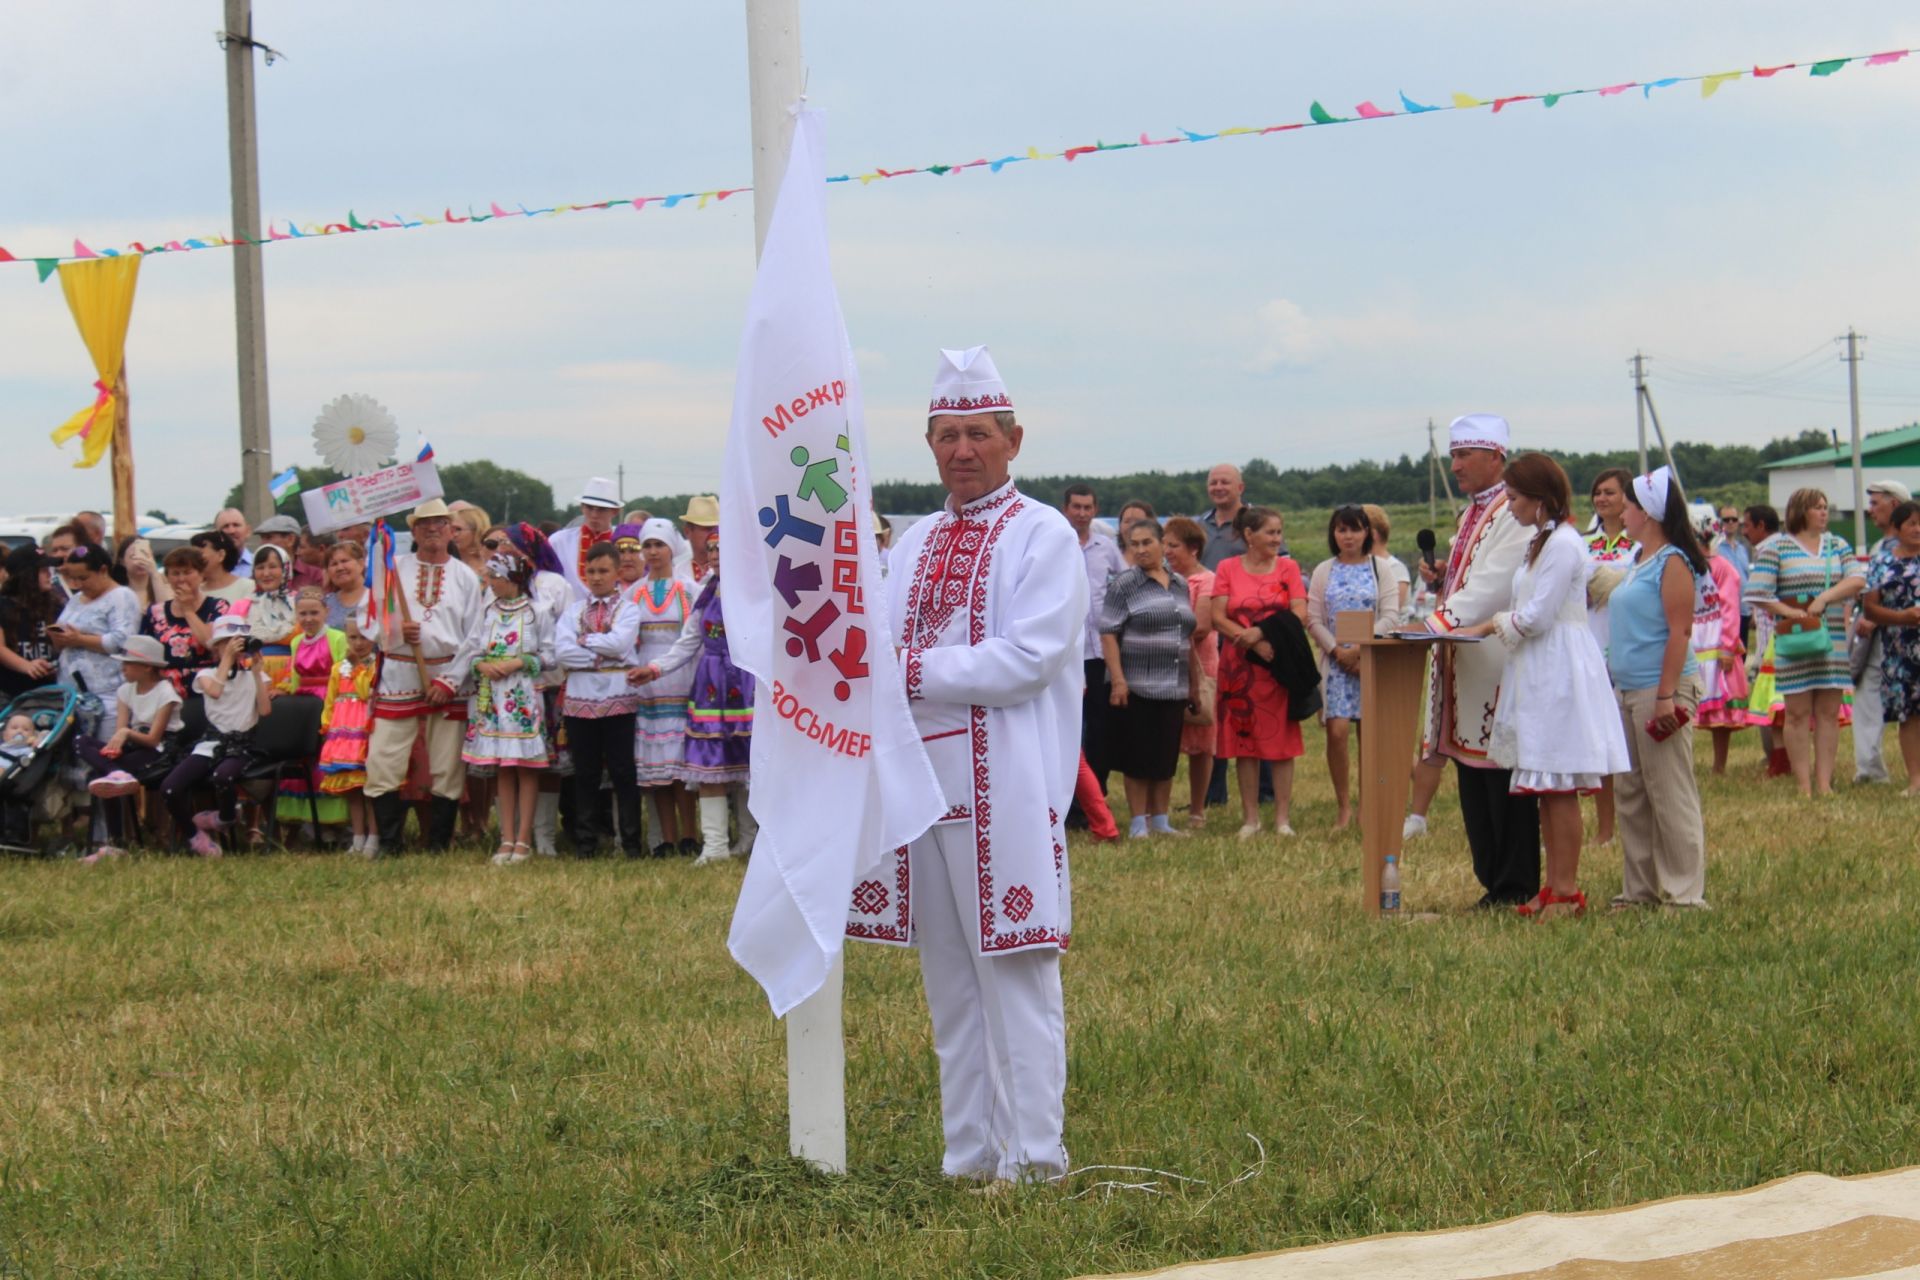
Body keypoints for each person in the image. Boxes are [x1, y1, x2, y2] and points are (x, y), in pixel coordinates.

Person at [844, 343, 1081, 1185]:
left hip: (1006, 788)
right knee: (950, 987)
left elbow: (1030, 658)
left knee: (1016, 978)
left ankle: (1036, 1159)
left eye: (978, 433)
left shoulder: (1043, 536)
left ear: (1013, 439)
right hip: (922, 793)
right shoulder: (910, 545)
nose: (962, 451)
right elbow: (871, 645)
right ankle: (969, 1156)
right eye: (946, 435)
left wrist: (911, 673)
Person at [1455, 454, 1629, 917]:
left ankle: (1567, 889)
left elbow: (1536, 617)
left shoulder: (1565, 544)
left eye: (1513, 498)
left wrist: (1486, 627)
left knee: (1560, 782)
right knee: (1545, 787)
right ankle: (1551, 887)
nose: (1508, 506)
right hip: (1538, 667)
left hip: (1560, 667)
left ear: (1539, 497)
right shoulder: (1542, 541)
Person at [1416, 414, 1539, 907]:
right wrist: (1445, 577)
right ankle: (1493, 879)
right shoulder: (1473, 511)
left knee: (1499, 771)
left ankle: (1513, 883)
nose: (1455, 464)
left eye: (1465, 455)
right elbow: (1475, 575)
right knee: (1473, 775)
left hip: (1494, 658)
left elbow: (1495, 583)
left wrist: (1437, 622)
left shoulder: (1512, 510)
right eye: (1453, 455)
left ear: (1496, 457)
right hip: (1466, 658)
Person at [1609, 467, 1710, 908]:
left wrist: (1667, 695)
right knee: (1631, 792)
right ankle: (1640, 889)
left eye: (1628, 505)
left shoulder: (1673, 560)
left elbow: (1679, 632)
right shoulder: (1638, 561)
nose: (1622, 513)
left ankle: (1685, 892)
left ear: (1646, 512)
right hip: (1629, 688)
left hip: (1658, 689)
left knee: (1669, 790)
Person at [363, 500, 487, 854]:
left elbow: (474, 635)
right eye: (425, 524)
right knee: (383, 759)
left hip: (448, 677)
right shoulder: (393, 570)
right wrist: (396, 630)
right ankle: (389, 843)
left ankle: (438, 843)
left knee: (447, 765)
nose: (433, 530)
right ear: (413, 531)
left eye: (440, 523)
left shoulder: (465, 576)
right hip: (400, 672)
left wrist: (449, 681)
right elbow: (368, 619)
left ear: (451, 530)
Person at [634, 520, 755, 865]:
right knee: (708, 763)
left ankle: (748, 838)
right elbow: (687, 642)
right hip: (710, 685)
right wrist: (654, 669)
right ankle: (715, 845)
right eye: (712, 548)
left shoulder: (753, 590)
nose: (714, 554)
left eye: (722, 548)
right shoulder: (708, 591)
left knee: (749, 764)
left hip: (745, 684)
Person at [1744, 488, 1866, 796]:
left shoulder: (1837, 545)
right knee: (1796, 713)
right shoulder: (1778, 548)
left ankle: (1824, 783)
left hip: (1832, 638)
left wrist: (1825, 597)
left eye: (1825, 507)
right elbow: (1757, 593)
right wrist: (1790, 612)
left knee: (1828, 712)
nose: (1824, 513)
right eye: (1817, 508)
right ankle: (1803, 784)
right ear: (1800, 511)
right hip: (1793, 639)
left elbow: (1857, 579)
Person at [1210, 505, 1308, 837]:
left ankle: (1282, 818)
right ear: (1249, 536)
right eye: (1270, 532)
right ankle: (1250, 818)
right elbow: (1217, 616)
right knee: (1244, 744)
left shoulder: (1288, 567)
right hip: (1239, 668)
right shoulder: (1226, 568)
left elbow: (1300, 612)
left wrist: (1264, 633)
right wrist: (1249, 641)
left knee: (1281, 742)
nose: (1277, 539)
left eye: (1279, 532)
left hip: (1279, 665)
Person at [1099, 519, 1197, 838]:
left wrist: (1194, 684)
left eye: (1146, 542)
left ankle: (1161, 820)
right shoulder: (1125, 584)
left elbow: (1188, 635)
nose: (1140, 550)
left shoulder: (1180, 583)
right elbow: (1109, 633)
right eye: (1134, 544)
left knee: (1165, 755)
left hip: (1175, 683)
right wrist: (1118, 680)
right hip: (1137, 684)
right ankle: (1138, 821)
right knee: (1138, 756)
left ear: (1162, 543)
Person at [456, 552, 554, 865]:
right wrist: (482, 664)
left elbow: (551, 655)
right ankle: (506, 837)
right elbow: (471, 649)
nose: (490, 583)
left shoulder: (538, 611)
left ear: (512, 577)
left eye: (494, 576)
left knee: (525, 766)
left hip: (523, 696)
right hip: (493, 697)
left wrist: (519, 661)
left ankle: (524, 838)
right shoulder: (487, 611)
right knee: (503, 766)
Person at [1307, 506, 1396, 831]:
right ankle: (1343, 806)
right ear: (1333, 534)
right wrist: (1337, 650)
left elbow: (1390, 615)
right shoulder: (1323, 570)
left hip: (1370, 661)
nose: (1348, 536)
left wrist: (1362, 649)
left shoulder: (1380, 568)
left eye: (1355, 529)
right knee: (1338, 732)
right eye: (1342, 530)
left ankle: (1367, 806)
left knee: (1369, 738)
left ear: (1367, 534)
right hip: (1336, 663)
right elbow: (1314, 618)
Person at [555, 543, 644, 858]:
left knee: (622, 770)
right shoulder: (574, 610)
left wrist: (583, 642)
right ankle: (585, 842)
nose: (596, 577)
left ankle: (631, 842)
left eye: (603, 570)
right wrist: (599, 652)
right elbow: (560, 650)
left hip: (618, 694)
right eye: (591, 571)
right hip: (580, 697)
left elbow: (621, 643)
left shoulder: (629, 609)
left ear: (617, 572)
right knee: (586, 772)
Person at [162, 613, 272, 857]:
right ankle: (193, 836)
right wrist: (227, 660)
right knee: (170, 787)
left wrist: (255, 674)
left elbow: (265, 710)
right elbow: (215, 692)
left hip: (242, 744)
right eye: (227, 643)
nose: (234, 647)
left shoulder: (255, 677)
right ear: (216, 648)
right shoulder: (205, 676)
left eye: (238, 642)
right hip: (212, 743)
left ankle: (225, 818)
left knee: (223, 776)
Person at [626, 518, 699, 856]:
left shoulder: (688, 589)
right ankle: (666, 839)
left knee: (679, 767)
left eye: (659, 545)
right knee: (657, 770)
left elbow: (692, 640)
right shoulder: (632, 593)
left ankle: (689, 835)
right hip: (646, 683)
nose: (653, 552)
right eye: (648, 545)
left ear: (672, 548)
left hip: (680, 677)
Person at [77, 635, 182, 862]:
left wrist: (125, 734)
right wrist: (118, 742)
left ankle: (115, 842)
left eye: (128, 663)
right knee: (82, 742)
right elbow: (120, 730)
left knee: (102, 776)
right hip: (133, 745)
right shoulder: (125, 690)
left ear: (146, 667)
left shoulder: (165, 692)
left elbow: (154, 739)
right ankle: (115, 772)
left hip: (158, 751)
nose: (122, 668)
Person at [505, 522, 575, 856]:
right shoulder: (504, 584)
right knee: (512, 761)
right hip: (511, 688)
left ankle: (544, 836)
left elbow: (567, 631)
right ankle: (517, 834)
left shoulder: (554, 584)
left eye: (512, 546)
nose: (506, 552)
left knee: (546, 763)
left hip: (547, 684)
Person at [1582, 467, 1636, 845]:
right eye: (1598, 493)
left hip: (1629, 644)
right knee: (1600, 741)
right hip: (1589, 643)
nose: (1602, 499)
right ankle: (1605, 830)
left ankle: (1635, 825)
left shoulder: (1641, 545)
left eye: (1610, 493)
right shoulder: (1582, 544)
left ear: (1627, 499)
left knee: (1630, 743)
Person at [1065, 483, 1126, 805]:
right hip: (1069, 655)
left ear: (1095, 509)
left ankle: (1096, 797)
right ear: (1066, 509)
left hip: (1101, 652)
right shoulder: (1059, 544)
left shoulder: (1106, 546)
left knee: (1100, 729)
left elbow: (1127, 580)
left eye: (1088, 507)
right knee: (1073, 728)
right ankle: (1070, 802)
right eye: (1076, 506)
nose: (1082, 513)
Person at [273, 587, 348, 837]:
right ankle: (300, 821)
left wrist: (336, 706)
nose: (308, 619)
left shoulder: (336, 638)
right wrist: (287, 691)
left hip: (327, 701)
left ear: (326, 612)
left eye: (314, 613)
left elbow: (342, 671)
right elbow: (295, 676)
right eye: (302, 613)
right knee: (302, 758)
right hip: (303, 706)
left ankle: (331, 823)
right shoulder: (296, 641)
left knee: (323, 759)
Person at [1852, 479, 1913, 784]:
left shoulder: (1900, 550)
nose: (1870, 510)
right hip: (1883, 636)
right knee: (1869, 698)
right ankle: (1870, 766)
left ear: (1895, 505)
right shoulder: (1882, 549)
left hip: (1897, 637)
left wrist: (1878, 618)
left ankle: (1871, 768)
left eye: (1876, 503)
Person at [1863, 500, 1920, 794]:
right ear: (1896, 528)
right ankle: (1915, 781)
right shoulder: (1882, 562)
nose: (1918, 529)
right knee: (1908, 714)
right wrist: (1902, 617)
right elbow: (1870, 609)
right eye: (1911, 523)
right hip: (1899, 650)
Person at [1163, 517, 1217, 827]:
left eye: (1174, 545)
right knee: (1168, 738)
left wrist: (1163, 630)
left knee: (1202, 740)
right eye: (1165, 544)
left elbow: (1203, 626)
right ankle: (1161, 808)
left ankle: (1198, 808)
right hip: (1165, 666)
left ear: (1193, 549)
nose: (1167, 551)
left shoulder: (1206, 581)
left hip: (1201, 664)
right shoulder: (1162, 578)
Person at [318, 621, 380, 855]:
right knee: (352, 789)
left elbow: (365, 693)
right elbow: (331, 699)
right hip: (343, 736)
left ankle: (374, 837)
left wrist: (358, 669)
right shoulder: (338, 668)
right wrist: (327, 725)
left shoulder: (375, 666)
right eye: (352, 638)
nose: (358, 643)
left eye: (363, 638)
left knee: (370, 786)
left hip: (364, 731)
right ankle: (357, 836)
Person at [1694, 533, 1751, 775]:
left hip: (1715, 640)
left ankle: (1719, 765)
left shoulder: (1722, 568)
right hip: (1693, 638)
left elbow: (1730, 607)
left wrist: (1728, 646)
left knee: (1722, 713)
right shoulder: (1684, 565)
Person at [51, 545, 140, 698]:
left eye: (83, 578)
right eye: (73, 579)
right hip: (69, 691)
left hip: (106, 692)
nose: (77, 584)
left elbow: (122, 641)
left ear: (103, 570)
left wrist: (80, 639)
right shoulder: (76, 599)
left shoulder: (121, 596)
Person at [139, 547, 229, 698]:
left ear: (201, 575)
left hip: (206, 687)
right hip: (166, 692)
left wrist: (188, 610)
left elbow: (210, 642)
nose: (181, 579)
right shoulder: (156, 612)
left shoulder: (218, 606)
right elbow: (144, 652)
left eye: (187, 572)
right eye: (175, 573)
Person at [1740, 504, 1788, 772]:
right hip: (1775, 638)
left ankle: (1779, 759)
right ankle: (1777, 756)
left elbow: (1760, 596)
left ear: (1760, 526)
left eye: (1747, 525)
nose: (1744, 531)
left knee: (1774, 704)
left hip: (1775, 642)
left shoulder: (1771, 550)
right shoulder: (1778, 547)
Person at [0, 546, 60, 700]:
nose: (49, 574)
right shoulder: (3, 605)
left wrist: (55, 664)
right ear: (26, 575)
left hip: (50, 690)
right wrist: (27, 666)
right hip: (10, 691)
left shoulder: (56, 605)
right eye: (43, 570)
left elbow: (61, 645)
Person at [549, 478, 622, 598]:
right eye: (589, 508)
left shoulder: (622, 540)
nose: (594, 515)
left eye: (601, 509)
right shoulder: (559, 541)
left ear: (615, 511)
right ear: (582, 507)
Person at [1198, 463, 1248, 570]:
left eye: (1225, 482)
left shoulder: (1258, 521)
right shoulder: (1200, 524)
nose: (1218, 487)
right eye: (1213, 483)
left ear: (1240, 488)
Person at [255, 516, 322, 591]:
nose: (262, 544)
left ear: (290, 539)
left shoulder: (315, 576)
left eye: (268, 537)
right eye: (262, 538)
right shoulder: (256, 577)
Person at [190, 530, 254, 605]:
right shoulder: (194, 591)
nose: (193, 559)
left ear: (221, 555)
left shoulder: (247, 587)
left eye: (199, 554)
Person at [322, 540, 367, 631]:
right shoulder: (326, 603)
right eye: (334, 564)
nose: (340, 568)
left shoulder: (378, 596)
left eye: (344, 561)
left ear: (361, 564)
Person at [681, 495, 719, 584]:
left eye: (717, 529)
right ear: (687, 531)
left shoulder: (731, 571)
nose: (714, 534)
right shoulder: (676, 573)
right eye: (707, 529)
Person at [448, 505, 493, 580]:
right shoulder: (447, 564)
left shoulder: (491, 565)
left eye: (458, 529)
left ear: (476, 531)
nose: (453, 534)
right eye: (451, 529)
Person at [115, 537, 160, 610]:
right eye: (133, 556)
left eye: (145, 555)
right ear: (122, 561)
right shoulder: (117, 594)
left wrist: (154, 573)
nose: (140, 561)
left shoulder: (164, 587)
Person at [214, 508, 256, 577]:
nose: (231, 531)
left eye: (236, 525)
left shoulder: (259, 565)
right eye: (225, 526)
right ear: (215, 534)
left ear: (248, 531)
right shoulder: (208, 569)